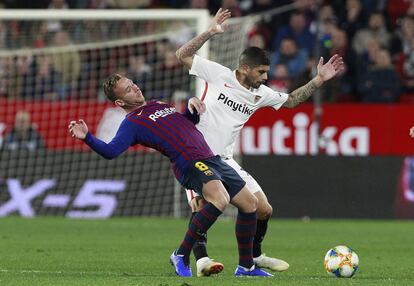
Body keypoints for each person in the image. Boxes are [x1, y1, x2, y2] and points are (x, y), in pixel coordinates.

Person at [175, 8, 345, 277]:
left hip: (226, 159)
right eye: (261, 72)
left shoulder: (261, 93)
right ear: (245, 68)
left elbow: (290, 101)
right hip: (198, 155)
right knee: (202, 207)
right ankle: (201, 260)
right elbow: (182, 55)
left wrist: (319, 79)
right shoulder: (218, 74)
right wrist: (209, 31)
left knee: (263, 209)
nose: (266, 77)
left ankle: (252, 258)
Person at [68, 73, 274, 277]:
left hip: (211, 157)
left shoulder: (158, 103)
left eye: (132, 83)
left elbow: (184, 123)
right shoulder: (131, 123)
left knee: (251, 205)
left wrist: (192, 109)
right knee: (220, 199)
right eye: (128, 89)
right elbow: (111, 151)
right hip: (189, 162)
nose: (136, 87)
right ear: (120, 101)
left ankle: (246, 267)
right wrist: (87, 137)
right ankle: (181, 254)